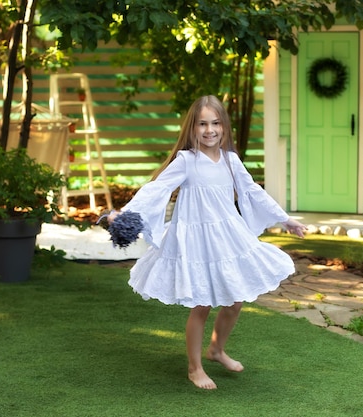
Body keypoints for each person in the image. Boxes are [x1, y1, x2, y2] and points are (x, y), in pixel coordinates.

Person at [108, 95, 307, 390]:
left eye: (215, 123)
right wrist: (124, 215)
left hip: (227, 237)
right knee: (201, 304)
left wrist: (284, 219)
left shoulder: (231, 161)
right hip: (195, 240)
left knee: (235, 301)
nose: (209, 130)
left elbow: (252, 191)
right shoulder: (187, 161)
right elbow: (156, 188)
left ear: (224, 127)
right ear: (192, 128)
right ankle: (195, 367)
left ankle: (216, 350)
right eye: (202, 123)